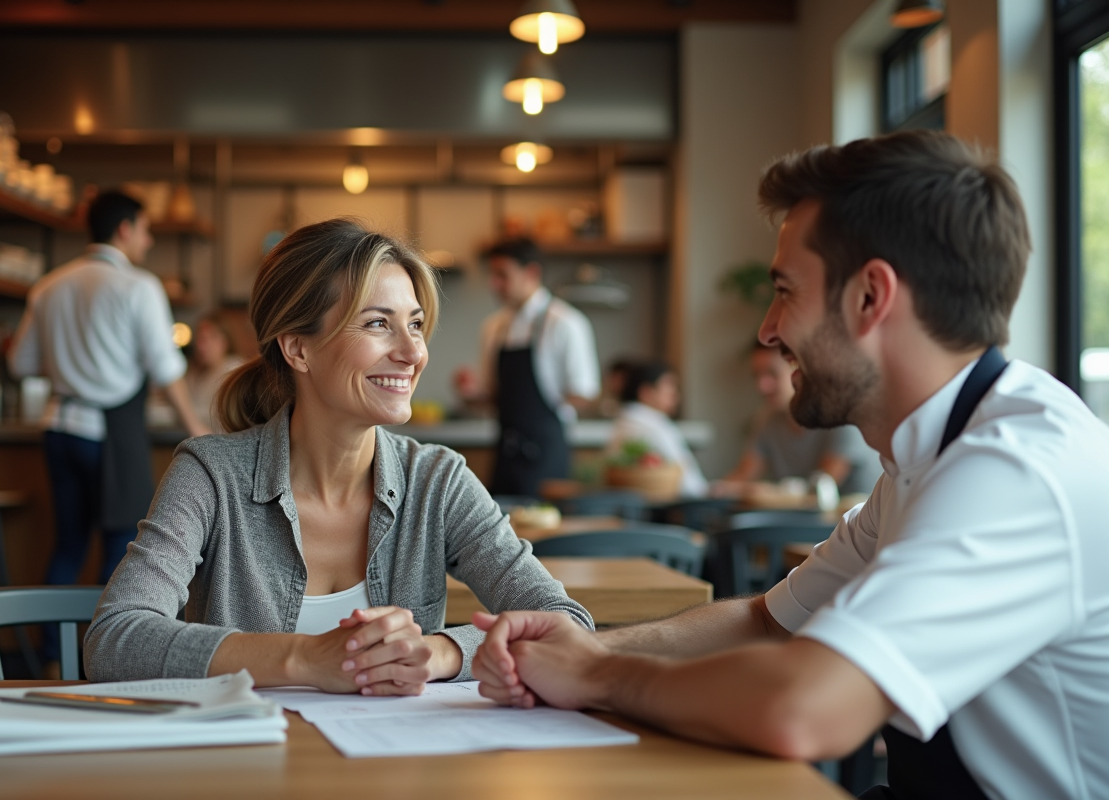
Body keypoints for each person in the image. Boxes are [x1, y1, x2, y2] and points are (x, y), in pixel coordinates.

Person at [471, 131, 1109, 800]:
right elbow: (767, 623)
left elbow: (804, 710)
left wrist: (598, 679)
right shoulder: (927, 461)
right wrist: (590, 647)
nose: (768, 330)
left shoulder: (1018, 472)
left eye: (785, 290)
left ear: (870, 297)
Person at [85, 218, 593, 692]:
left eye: (415, 325)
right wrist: (305, 659)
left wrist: (437, 654)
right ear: (297, 348)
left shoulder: (438, 480)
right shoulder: (211, 474)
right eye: (377, 324)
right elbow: (113, 639)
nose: (413, 353)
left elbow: (564, 622)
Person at [9, 189, 209, 665]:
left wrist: (73, 363)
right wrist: (199, 432)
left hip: (59, 426)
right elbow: (166, 370)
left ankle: (50, 661)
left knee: (68, 544)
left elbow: (20, 362)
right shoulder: (138, 286)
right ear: (124, 229)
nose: (148, 239)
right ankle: (103, 659)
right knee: (120, 548)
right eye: (145, 229)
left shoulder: (49, 285)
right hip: (110, 435)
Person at [454, 238, 600, 497]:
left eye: (503, 275)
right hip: (504, 454)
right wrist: (472, 393)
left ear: (531, 272)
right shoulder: (493, 327)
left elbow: (585, 394)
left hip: (547, 454)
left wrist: (545, 406)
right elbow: (493, 398)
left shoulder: (565, 323)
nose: (494, 284)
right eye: (492, 275)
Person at [718, 340, 882, 495]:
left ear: (801, 370)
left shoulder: (843, 415)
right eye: (757, 376)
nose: (762, 386)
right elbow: (741, 476)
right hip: (806, 520)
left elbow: (823, 487)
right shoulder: (768, 421)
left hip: (855, 522)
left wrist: (765, 492)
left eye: (772, 374)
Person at [606, 359, 708, 497]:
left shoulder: (626, 422)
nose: (675, 396)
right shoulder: (651, 426)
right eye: (670, 388)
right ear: (646, 393)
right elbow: (687, 483)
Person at [185, 311, 245, 433]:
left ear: (226, 340)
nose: (202, 346)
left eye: (211, 337)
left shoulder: (234, 370)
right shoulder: (197, 372)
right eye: (200, 338)